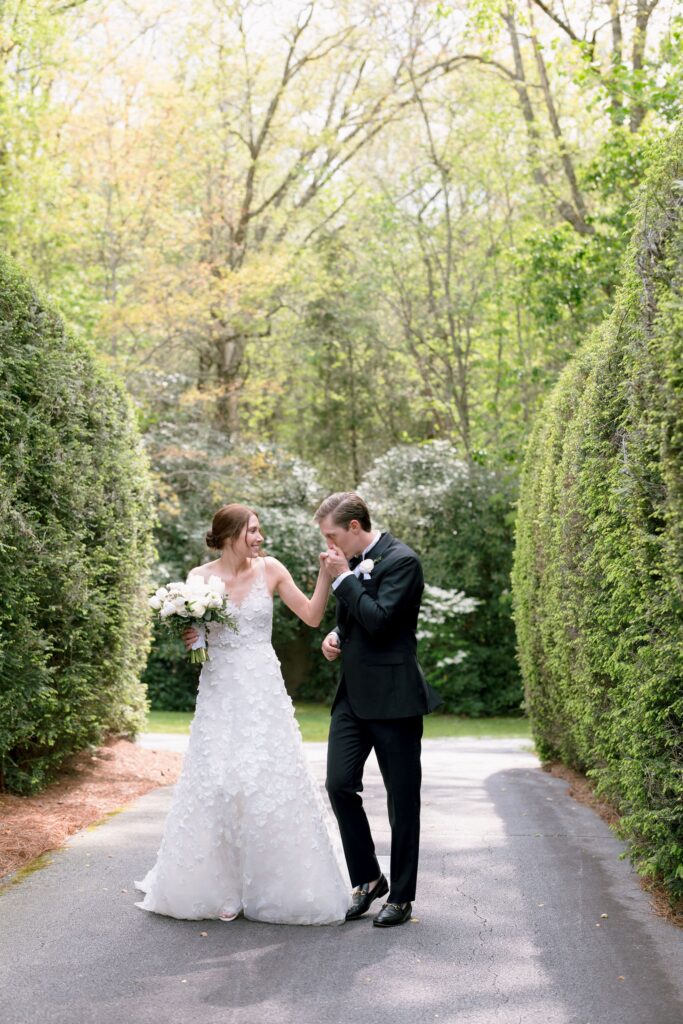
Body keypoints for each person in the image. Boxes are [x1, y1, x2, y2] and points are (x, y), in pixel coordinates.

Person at [134, 503, 350, 925]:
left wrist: (325, 577)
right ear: (230, 533)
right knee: (217, 782)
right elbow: (196, 643)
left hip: (262, 690)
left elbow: (310, 615)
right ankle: (223, 887)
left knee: (265, 780)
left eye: (259, 531)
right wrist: (192, 638)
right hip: (218, 690)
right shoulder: (198, 580)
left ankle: (270, 885)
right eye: (252, 531)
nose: (260, 538)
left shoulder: (270, 569)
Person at [315, 492, 442, 928]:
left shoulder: (403, 560)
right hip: (352, 696)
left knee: (401, 800)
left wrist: (344, 578)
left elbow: (383, 621)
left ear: (354, 527)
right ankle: (368, 878)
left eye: (332, 536)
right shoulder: (346, 566)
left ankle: (402, 897)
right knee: (338, 784)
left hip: (395, 698)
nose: (329, 547)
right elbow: (353, 619)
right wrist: (335, 635)